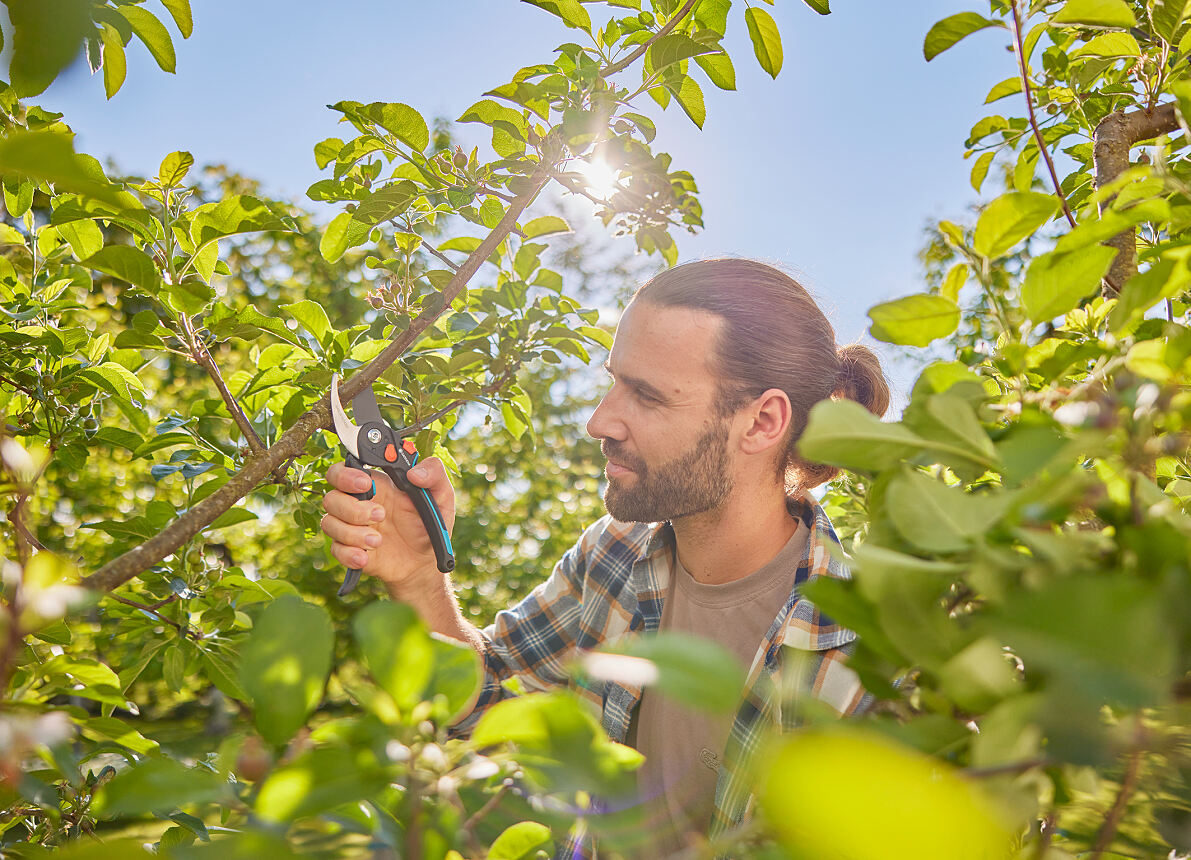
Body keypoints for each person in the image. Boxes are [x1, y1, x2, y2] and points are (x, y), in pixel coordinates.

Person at [320, 258, 890, 857]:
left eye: (646, 395)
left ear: (762, 421)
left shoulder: (868, 659)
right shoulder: (614, 552)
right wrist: (417, 579)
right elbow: (488, 697)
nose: (600, 420)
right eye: (615, 380)